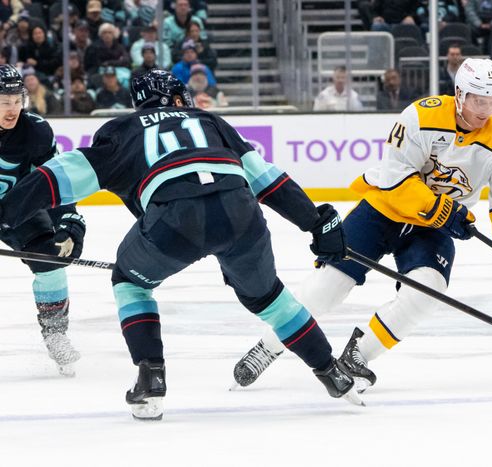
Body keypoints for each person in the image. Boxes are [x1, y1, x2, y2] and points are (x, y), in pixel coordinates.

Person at [0, 69, 362, 420]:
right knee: (269, 298)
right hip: (242, 216)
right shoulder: (211, 121)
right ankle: (332, 372)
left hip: (175, 222)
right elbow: (268, 180)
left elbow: (58, 176)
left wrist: (6, 213)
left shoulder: (123, 130)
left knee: (131, 282)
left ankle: (151, 376)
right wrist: (315, 222)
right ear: (175, 97)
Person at [231, 58, 492, 392]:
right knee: (329, 286)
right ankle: (269, 345)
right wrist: (441, 207)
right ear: (459, 94)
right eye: (478, 100)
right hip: (384, 209)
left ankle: (358, 354)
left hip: (433, 228)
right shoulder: (421, 115)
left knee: (428, 290)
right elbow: (396, 177)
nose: (485, 110)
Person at [0, 65, 86, 377]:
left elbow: (54, 181)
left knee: (50, 260)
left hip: (18, 211)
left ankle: (55, 332)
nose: (12, 109)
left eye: (16, 100)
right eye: (4, 101)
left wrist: (69, 222)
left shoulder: (34, 131)